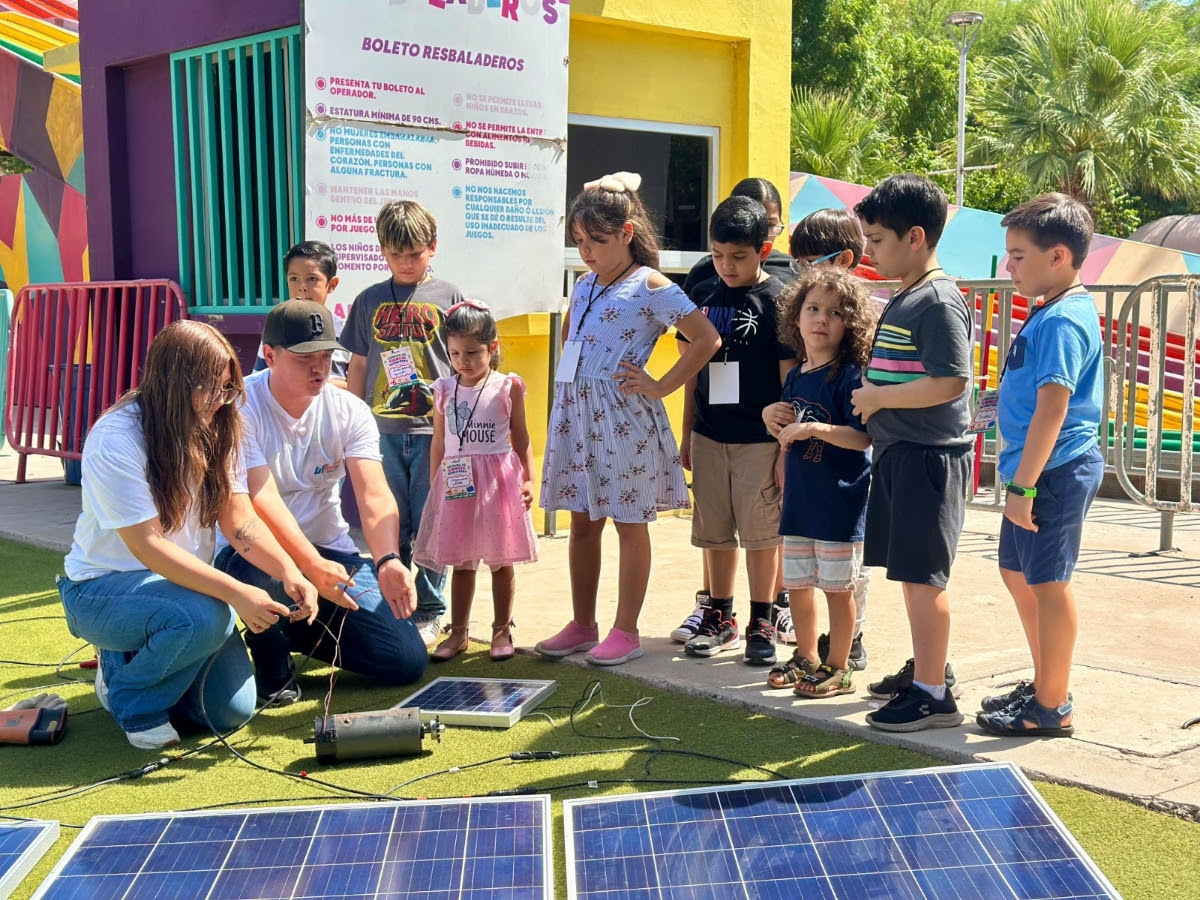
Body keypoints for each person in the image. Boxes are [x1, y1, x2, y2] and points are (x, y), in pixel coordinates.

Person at [57, 321, 318, 750]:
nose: (221, 401)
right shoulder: (116, 438)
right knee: (208, 617)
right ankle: (132, 698)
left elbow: (238, 519)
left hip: (178, 592)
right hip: (100, 591)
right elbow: (151, 548)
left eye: (228, 389)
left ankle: (134, 661)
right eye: (210, 389)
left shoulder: (220, 422)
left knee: (232, 710)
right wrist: (237, 593)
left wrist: (290, 570)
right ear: (173, 382)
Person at [534, 171, 721, 666]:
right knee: (581, 521)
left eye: (596, 240)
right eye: (579, 241)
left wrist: (661, 386)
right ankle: (582, 624)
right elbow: (572, 343)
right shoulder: (584, 284)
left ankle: (626, 629)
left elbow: (706, 338)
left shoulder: (651, 284)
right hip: (577, 415)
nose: (587, 250)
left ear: (627, 233)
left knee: (629, 523)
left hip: (624, 420)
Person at [216, 301, 428, 700]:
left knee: (406, 659)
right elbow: (260, 498)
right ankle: (271, 655)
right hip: (251, 552)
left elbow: (374, 492)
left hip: (331, 552)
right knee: (265, 570)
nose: (320, 368)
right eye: (305, 358)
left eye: (327, 356)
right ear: (270, 355)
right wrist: (309, 567)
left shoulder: (349, 409)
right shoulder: (239, 407)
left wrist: (387, 559)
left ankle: (293, 623)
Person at [976, 194, 1104, 738]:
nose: (1009, 266)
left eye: (1018, 255)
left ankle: (1052, 705)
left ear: (1058, 256)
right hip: (1033, 471)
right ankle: (1046, 681)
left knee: (1049, 582)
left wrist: (1022, 487)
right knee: (1017, 571)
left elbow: (1055, 406)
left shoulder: (1064, 319)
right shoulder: (1051, 309)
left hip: (1052, 472)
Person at [850, 174, 973, 732]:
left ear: (916, 236)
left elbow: (951, 383)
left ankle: (932, 696)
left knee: (925, 580)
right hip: (905, 454)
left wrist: (878, 397)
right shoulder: (910, 293)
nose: (869, 250)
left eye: (876, 240)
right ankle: (929, 670)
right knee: (911, 576)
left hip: (929, 457)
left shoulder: (938, 300)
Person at [674, 196, 796, 666]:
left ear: (763, 250)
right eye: (719, 254)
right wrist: (687, 435)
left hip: (760, 442)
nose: (726, 265)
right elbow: (690, 371)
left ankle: (762, 618)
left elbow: (789, 379)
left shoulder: (779, 299)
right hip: (709, 436)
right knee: (714, 533)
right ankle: (718, 616)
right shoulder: (700, 292)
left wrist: (786, 444)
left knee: (762, 535)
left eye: (739, 256)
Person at [342, 201, 464, 647]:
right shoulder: (368, 300)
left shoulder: (451, 297)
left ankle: (430, 608)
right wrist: (351, 421)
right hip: (380, 434)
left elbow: (462, 364)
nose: (406, 263)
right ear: (382, 253)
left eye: (414, 253)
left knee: (433, 522)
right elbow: (357, 364)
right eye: (396, 255)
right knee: (393, 524)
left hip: (435, 433)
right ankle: (398, 605)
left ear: (432, 248)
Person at [762, 267, 875, 697]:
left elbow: (863, 437)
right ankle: (805, 656)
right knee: (797, 588)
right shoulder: (795, 376)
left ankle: (838, 666)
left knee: (836, 590)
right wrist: (769, 417)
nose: (821, 319)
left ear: (851, 324)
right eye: (812, 308)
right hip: (800, 504)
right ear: (796, 317)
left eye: (834, 312)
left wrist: (815, 431)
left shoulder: (849, 375)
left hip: (838, 505)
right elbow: (787, 426)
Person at [413, 300, 538, 662]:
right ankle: (460, 633)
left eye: (472, 352)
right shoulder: (443, 389)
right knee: (462, 562)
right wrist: (437, 483)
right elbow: (439, 440)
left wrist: (529, 480)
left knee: (501, 560)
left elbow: (522, 437)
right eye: (454, 353)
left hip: (498, 484)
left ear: (492, 348)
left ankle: (501, 629)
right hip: (457, 484)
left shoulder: (507, 386)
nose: (463, 361)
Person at [251, 241, 349, 390]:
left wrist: (322, 386)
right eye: (294, 279)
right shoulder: (277, 329)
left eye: (312, 279)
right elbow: (259, 382)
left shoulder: (347, 332)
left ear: (332, 284)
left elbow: (358, 387)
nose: (302, 287)